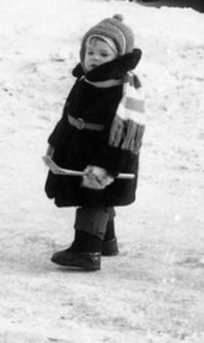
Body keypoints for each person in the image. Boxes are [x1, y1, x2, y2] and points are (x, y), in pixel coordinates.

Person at [44, 14, 145, 271]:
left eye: (103, 54)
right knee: (97, 195)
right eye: (90, 51)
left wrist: (106, 166)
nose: (94, 58)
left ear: (119, 57)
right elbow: (68, 116)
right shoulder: (86, 80)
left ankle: (86, 250)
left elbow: (121, 136)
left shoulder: (120, 91)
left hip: (106, 154)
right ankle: (106, 241)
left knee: (94, 196)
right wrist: (56, 143)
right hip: (79, 149)